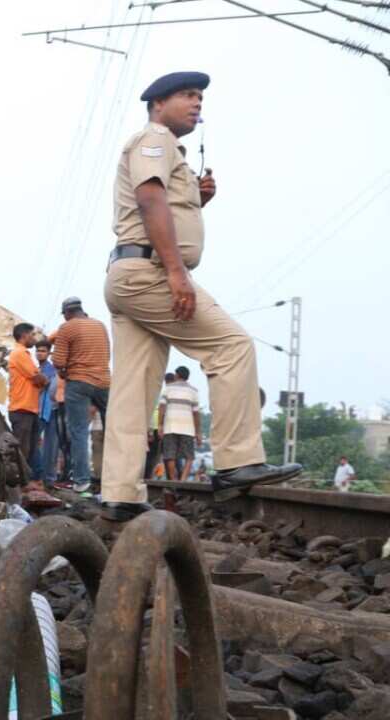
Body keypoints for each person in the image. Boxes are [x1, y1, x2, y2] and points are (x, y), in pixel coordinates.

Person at [100, 71, 301, 521]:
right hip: (149, 271)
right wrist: (175, 272)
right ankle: (237, 461)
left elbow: (161, 205)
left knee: (134, 390)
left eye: (200, 97)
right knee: (231, 347)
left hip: (129, 272)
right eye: (187, 95)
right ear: (157, 103)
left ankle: (120, 495)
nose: (197, 103)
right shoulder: (153, 140)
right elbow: (150, 199)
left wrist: (198, 199)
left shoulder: (168, 150)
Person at [51, 296, 111, 493]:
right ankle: (115, 479)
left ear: (67, 313)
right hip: (103, 382)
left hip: (78, 382)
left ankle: (82, 481)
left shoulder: (67, 328)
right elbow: (107, 355)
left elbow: (59, 361)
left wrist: (64, 372)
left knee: (79, 432)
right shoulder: (100, 325)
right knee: (112, 431)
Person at [7, 323, 48, 475]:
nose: (34, 338)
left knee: (27, 451)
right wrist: (43, 380)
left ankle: (21, 484)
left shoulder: (23, 354)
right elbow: (38, 378)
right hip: (21, 409)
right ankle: (14, 486)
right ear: (24, 336)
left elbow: (39, 379)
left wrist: (41, 379)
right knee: (20, 452)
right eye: (32, 335)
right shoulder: (20, 353)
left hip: (28, 409)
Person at [158, 366, 202, 482]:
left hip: (170, 426)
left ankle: (173, 480)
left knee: (169, 454)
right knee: (189, 457)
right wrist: (198, 432)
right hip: (188, 428)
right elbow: (196, 413)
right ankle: (182, 481)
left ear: (177, 375)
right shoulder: (194, 391)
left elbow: (162, 407)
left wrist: (160, 425)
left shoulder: (168, 388)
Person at [33, 339, 59, 487]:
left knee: (48, 445)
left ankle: (46, 477)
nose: (40, 353)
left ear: (48, 353)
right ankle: (45, 476)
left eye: (43, 351)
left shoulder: (49, 369)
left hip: (47, 410)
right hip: (40, 410)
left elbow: (42, 386)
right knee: (43, 444)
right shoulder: (38, 368)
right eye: (38, 350)